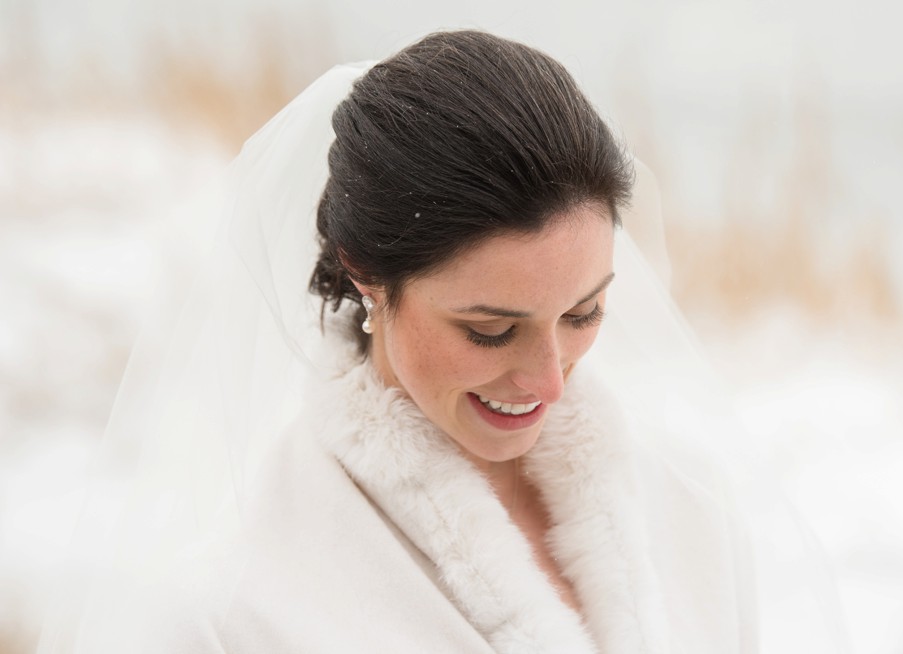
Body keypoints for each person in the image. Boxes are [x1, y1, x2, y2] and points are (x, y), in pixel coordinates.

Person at [38, 30, 848, 654]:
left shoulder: (691, 510)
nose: (550, 379)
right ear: (365, 275)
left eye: (584, 313)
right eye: (490, 329)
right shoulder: (237, 597)